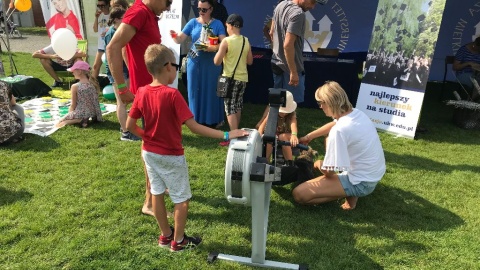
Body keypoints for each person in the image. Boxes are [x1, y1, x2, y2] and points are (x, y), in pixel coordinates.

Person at [126, 44, 248, 251]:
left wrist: (147, 137)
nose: (177, 69)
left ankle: (165, 236)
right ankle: (179, 241)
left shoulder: (141, 91)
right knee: (182, 199)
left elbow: (129, 126)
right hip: (171, 156)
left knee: (156, 192)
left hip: (149, 153)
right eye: (176, 65)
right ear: (167, 67)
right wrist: (227, 134)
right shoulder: (172, 95)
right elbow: (195, 127)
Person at [107, 0, 172, 217]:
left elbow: (126, 48)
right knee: (153, 148)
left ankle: (157, 190)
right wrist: (123, 86)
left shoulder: (147, 14)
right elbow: (113, 46)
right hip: (146, 94)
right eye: (166, 1)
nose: (167, 7)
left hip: (149, 91)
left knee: (154, 144)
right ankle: (151, 202)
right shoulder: (139, 12)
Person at [292, 81, 386, 210]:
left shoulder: (340, 131)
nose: (320, 107)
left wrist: (320, 164)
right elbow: (335, 124)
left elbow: (329, 172)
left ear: (330, 102)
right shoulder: (357, 113)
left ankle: (349, 193)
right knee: (328, 143)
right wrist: (309, 137)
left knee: (299, 194)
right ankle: (347, 192)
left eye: (320, 103)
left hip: (361, 182)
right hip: (372, 175)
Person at [256, 0, 324, 129]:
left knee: (276, 99)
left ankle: (262, 126)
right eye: (312, 2)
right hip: (290, 66)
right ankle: (285, 135)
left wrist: (277, 49)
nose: (313, 7)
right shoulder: (298, 14)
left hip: (276, 62)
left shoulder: (280, 5)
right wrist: (293, 71)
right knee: (290, 105)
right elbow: (288, 45)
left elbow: (271, 32)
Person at [170, 0, 226, 128]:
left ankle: (212, 120)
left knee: (211, 90)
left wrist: (213, 48)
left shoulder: (217, 24)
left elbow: (224, 43)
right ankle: (195, 120)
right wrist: (173, 34)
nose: (200, 12)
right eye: (199, 9)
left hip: (212, 63)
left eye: (204, 10)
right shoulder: (192, 22)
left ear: (211, 9)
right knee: (194, 90)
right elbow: (179, 39)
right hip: (194, 62)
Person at [213, 14, 253, 146]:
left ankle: (234, 137)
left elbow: (217, 62)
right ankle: (237, 134)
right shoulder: (245, 40)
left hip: (229, 78)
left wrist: (219, 51)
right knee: (238, 106)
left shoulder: (226, 41)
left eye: (227, 26)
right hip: (243, 78)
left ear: (230, 25)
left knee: (229, 107)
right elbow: (250, 61)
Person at [104, 7, 139, 141]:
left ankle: (125, 128)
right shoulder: (114, 32)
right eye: (125, 17)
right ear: (118, 19)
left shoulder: (114, 31)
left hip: (118, 71)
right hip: (119, 71)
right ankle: (126, 132)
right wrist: (131, 70)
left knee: (123, 102)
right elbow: (120, 53)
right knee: (122, 103)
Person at [56, 61, 103, 128]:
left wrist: (70, 115)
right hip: (93, 112)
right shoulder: (93, 84)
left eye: (73, 71)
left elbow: (73, 104)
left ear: (79, 71)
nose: (72, 72)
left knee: (60, 122)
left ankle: (79, 120)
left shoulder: (75, 86)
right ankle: (84, 120)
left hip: (81, 112)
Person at [257, 91, 298, 165]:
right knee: (270, 138)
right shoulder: (272, 112)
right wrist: (259, 134)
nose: (284, 113)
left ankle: (290, 164)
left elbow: (293, 124)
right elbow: (263, 125)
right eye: (282, 111)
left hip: (287, 135)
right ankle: (266, 162)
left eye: (286, 111)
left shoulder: (292, 114)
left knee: (283, 137)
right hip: (274, 135)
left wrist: (294, 135)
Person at [93, 0, 110, 79]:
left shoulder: (112, 15)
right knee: (96, 66)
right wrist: (96, 18)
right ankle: (91, 87)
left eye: (102, 5)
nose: (100, 8)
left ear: (108, 5)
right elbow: (95, 29)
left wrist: (107, 32)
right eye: (98, 6)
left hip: (110, 45)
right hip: (101, 46)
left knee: (111, 68)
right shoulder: (99, 15)